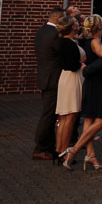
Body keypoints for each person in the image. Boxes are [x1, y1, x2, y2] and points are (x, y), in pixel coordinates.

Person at [63, 11, 102, 170]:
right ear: (99, 27)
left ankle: (91, 155)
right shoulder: (95, 41)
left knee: (89, 120)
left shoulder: (90, 38)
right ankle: (73, 150)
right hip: (97, 83)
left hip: (92, 82)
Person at [33, 8, 64, 158]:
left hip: (45, 76)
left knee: (49, 113)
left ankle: (48, 144)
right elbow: (61, 54)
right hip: (53, 78)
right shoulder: (55, 35)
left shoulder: (42, 31)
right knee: (49, 114)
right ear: (58, 18)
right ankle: (41, 147)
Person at [55, 16, 86, 163]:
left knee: (64, 116)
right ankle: (64, 150)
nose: (78, 25)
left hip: (67, 79)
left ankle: (59, 149)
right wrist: (81, 64)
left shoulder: (68, 41)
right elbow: (70, 64)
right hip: (72, 80)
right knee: (70, 116)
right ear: (72, 27)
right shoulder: (68, 43)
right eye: (76, 24)